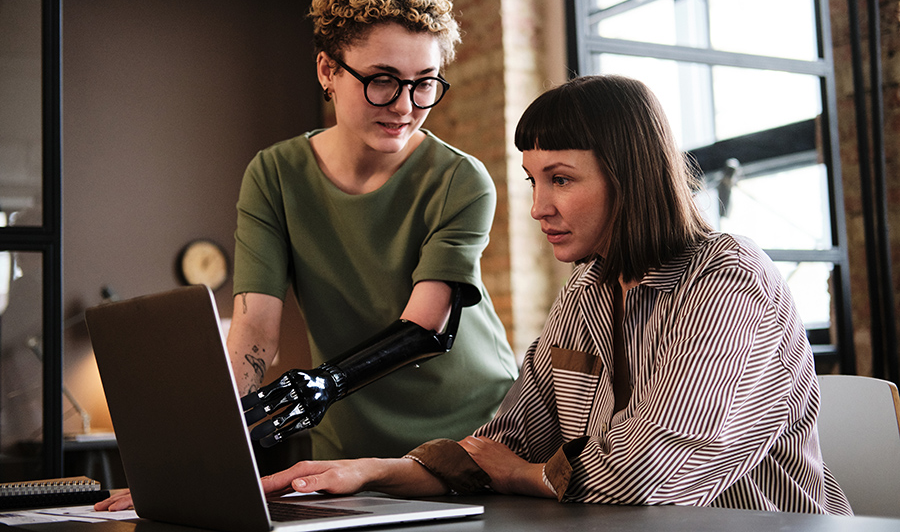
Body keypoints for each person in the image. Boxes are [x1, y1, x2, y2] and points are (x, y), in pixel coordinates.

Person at [248, 75, 853, 514]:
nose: (539, 207)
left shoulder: (728, 278)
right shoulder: (586, 293)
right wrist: (373, 472)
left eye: (561, 179)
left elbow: (651, 472)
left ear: (629, 174)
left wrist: (525, 477)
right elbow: (506, 442)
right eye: (534, 180)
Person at [224, 0, 517, 461]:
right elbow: (253, 330)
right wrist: (209, 451)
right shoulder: (274, 175)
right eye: (382, 80)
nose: (405, 106)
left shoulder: (459, 179)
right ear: (327, 71)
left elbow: (425, 327)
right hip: (349, 440)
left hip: (474, 435)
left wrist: (324, 382)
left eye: (424, 82)